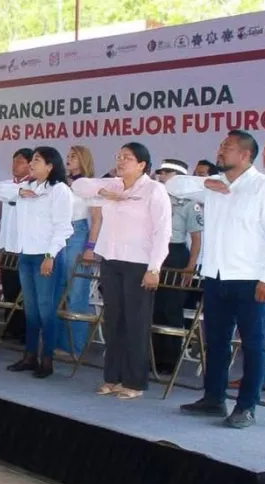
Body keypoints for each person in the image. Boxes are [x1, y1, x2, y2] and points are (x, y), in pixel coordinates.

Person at [166, 130, 265, 428]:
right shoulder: (213, 185)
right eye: (221, 145)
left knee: (253, 344)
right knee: (217, 342)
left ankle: (246, 406)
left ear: (246, 155)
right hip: (215, 275)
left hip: (250, 278)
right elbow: (172, 184)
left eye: (228, 147)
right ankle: (213, 399)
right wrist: (206, 182)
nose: (221, 151)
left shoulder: (262, 187)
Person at [73, 142, 172, 400]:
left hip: (140, 263)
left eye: (127, 158)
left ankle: (134, 381)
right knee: (113, 320)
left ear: (142, 165)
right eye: (118, 156)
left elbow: (163, 231)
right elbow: (78, 185)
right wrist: (106, 191)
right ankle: (112, 377)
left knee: (135, 323)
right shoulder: (113, 185)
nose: (120, 161)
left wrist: (155, 267)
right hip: (111, 259)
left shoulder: (154, 189)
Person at [0, 147, 74, 378]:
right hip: (26, 254)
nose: (32, 164)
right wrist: (20, 190)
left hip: (48, 255)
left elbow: (63, 228)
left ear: (50, 165)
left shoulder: (59, 190)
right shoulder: (26, 187)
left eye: (37, 160)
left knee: (46, 309)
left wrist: (49, 256)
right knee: (30, 309)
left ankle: (46, 360)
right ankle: (29, 355)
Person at [152, 159, 202, 376]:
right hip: (156, 253)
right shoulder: (156, 199)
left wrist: (190, 266)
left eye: (166, 172)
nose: (161, 176)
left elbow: (196, 239)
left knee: (171, 309)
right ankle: (153, 358)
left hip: (176, 255)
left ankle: (170, 361)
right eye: (161, 172)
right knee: (154, 308)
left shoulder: (190, 203)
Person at [56, 145, 99, 357]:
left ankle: (75, 347)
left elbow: (97, 219)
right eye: (68, 155)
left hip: (78, 233)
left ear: (83, 160)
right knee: (59, 290)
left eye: (73, 156)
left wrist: (90, 247)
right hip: (59, 234)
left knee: (76, 291)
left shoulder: (89, 185)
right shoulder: (61, 184)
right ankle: (57, 341)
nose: (68, 159)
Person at [0, 149, 33, 342]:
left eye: (20, 161)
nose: (15, 165)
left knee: (25, 291)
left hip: (24, 247)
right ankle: (11, 327)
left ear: (30, 165)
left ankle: (26, 331)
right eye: (14, 161)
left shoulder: (35, 186)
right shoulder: (6, 186)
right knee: (9, 289)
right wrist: (18, 192)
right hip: (7, 245)